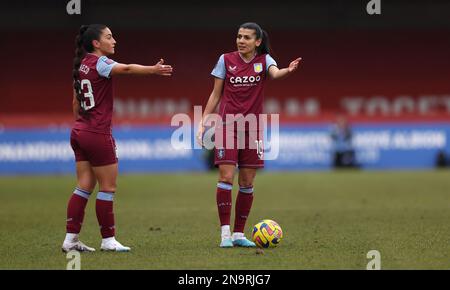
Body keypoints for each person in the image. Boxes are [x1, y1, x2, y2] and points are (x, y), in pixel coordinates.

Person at [62, 24, 173, 253]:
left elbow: (75, 103)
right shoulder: (100, 63)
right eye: (109, 37)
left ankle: (70, 240)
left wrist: (83, 126)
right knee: (108, 187)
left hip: (79, 131)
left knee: (83, 186)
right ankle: (108, 240)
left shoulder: (81, 65)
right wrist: (153, 70)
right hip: (97, 133)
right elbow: (129, 69)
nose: (114, 41)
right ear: (96, 43)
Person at [196, 22, 301, 248]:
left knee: (247, 182)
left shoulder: (264, 61)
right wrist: (204, 119)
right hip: (227, 125)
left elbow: (276, 73)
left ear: (257, 41)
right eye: (239, 36)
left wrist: (288, 71)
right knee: (225, 177)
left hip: (253, 128)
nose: (241, 41)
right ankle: (224, 234)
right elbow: (215, 94)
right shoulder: (225, 60)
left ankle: (238, 234)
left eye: (246, 37)